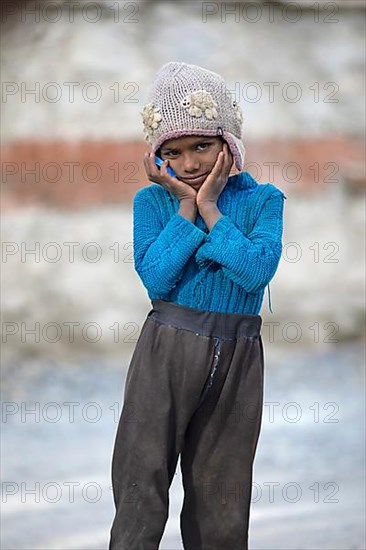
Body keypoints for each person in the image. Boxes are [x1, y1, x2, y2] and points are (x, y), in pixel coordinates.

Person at [109, 61, 287, 550]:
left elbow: (255, 271)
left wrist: (211, 210)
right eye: (173, 152)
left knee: (222, 497)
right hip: (165, 350)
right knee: (139, 482)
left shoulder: (265, 201)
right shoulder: (152, 203)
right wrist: (186, 209)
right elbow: (157, 279)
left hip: (238, 357)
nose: (189, 165)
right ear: (158, 157)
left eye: (202, 146)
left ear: (228, 142)